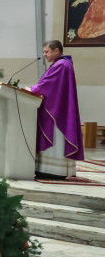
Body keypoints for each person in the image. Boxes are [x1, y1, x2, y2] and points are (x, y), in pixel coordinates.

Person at [30, 40, 84, 180]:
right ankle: (49, 169)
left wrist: (32, 89)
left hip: (56, 111)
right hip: (57, 107)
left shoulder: (61, 65)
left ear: (56, 51)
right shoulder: (62, 64)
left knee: (55, 137)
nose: (44, 54)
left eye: (47, 51)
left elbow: (48, 85)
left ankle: (52, 170)